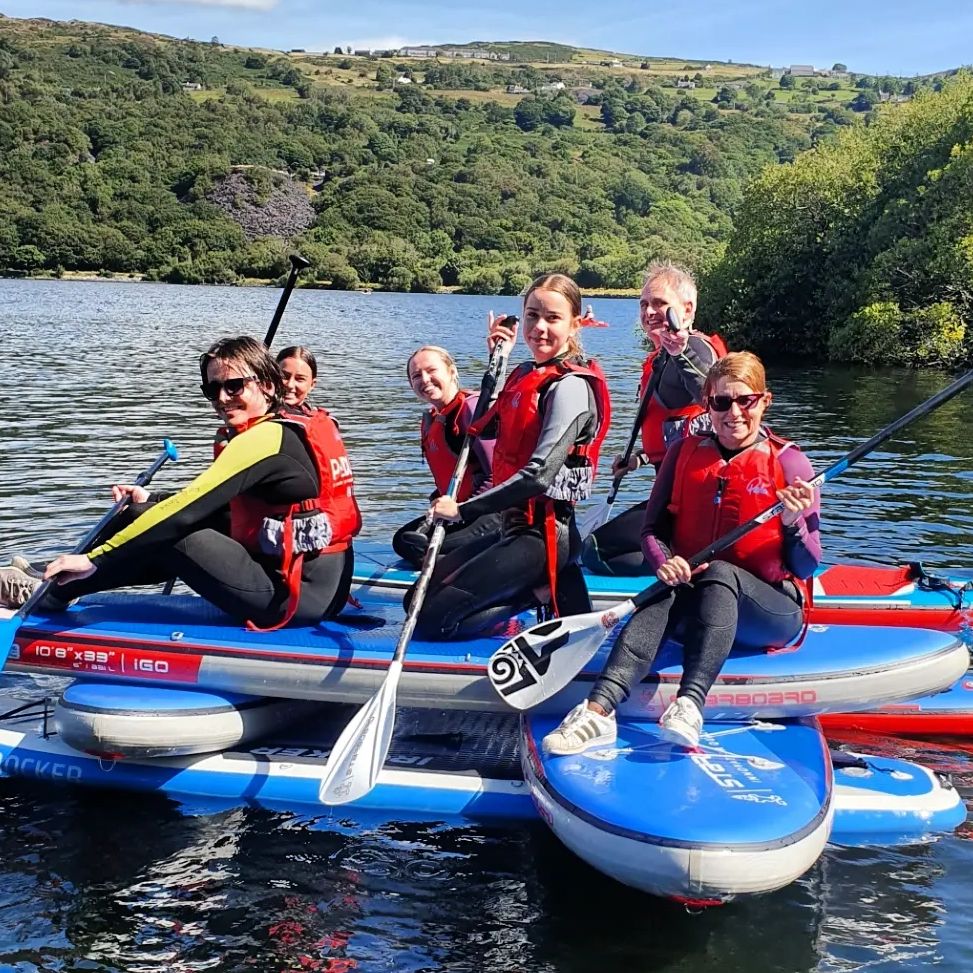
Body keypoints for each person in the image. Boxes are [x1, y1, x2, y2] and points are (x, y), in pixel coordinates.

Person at [544, 351, 820, 753]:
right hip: (697, 599)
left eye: (746, 401)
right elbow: (652, 530)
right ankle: (597, 711)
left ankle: (689, 703)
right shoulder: (683, 452)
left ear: (764, 401)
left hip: (769, 610)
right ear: (708, 404)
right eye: (721, 402)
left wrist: (794, 522)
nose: (734, 413)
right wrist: (663, 562)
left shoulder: (791, 463)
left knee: (720, 573)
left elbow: (806, 563)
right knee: (663, 589)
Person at [0, 336, 362, 630]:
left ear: (267, 386)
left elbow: (187, 510)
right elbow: (218, 503)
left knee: (167, 529)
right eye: (213, 389)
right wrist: (151, 498)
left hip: (293, 600)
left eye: (234, 386)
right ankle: (54, 582)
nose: (222, 398)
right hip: (313, 586)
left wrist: (95, 558)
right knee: (145, 512)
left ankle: (52, 589)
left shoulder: (266, 439)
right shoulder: (287, 425)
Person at [409, 273, 612, 640]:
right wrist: (497, 360)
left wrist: (464, 510)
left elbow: (539, 477)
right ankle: (534, 591)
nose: (539, 327)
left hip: (544, 535)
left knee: (430, 622)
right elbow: (481, 428)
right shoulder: (524, 373)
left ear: (575, 323)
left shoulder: (571, 386)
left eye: (553, 318)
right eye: (532, 316)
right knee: (415, 598)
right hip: (511, 526)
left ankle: (537, 591)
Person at [582, 260, 726, 576]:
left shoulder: (696, 349)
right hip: (675, 495)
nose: (648, 311)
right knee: (596, 549)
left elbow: (715, 398)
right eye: (644, 304)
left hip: (693, 502)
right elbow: (679, 430)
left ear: (686, 311)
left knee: (594, 552)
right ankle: (681, 554)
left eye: (659, 303)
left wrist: (681, 353)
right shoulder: (661, 356)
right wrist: (639, 459)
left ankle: (688, 564)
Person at [391, 346, 501, 567]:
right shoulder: (432, 419)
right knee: (404, 540)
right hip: (457, 512)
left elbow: (498, 476)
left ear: (451, 371)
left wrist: (462, 511)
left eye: (432, 370)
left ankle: (494, 563)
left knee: (421, 548)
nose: (425, 380)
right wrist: (438, 500)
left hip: (492, 513)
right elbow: (449, 476)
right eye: (416, 376)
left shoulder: (472, 410)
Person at [277, 345, 318, 414]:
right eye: (284, 376)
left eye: (299, 379)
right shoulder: (256, 412)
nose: (290, 385)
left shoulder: (318, 421)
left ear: (312, 384)